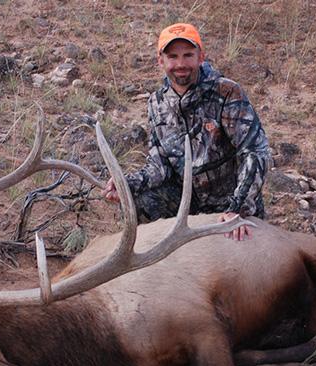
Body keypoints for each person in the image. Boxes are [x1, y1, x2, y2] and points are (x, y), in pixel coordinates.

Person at [103, 23, 271, 241]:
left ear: (201, 56)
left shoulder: (227, 92)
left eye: (188, 55)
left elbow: (255, 151)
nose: (180, 64)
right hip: (187, 204)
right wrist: (126, 183)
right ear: (160, 60)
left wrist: (238, 208)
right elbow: (159, 166)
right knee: (136, 202)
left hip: (229, 203)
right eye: (172, 56)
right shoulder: (157, 102)